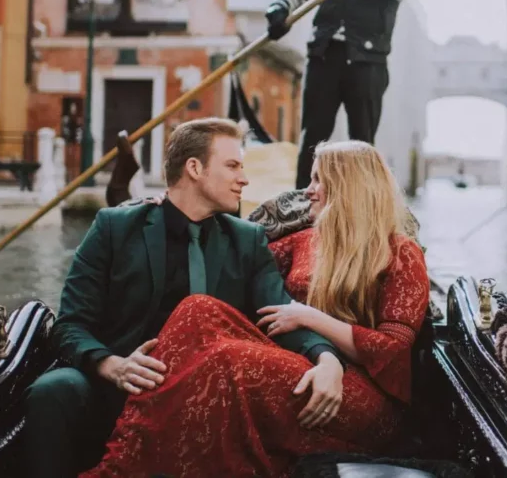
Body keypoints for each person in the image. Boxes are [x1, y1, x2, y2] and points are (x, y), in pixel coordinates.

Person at [81, 140, 431, 477]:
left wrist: (310, 317)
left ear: (348, 187)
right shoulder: (305, 241)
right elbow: (232, 250)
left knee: (228, 358)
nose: (308, 190)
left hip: (362, 395)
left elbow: (391, 351)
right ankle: (127, 455)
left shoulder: (400, 253)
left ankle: (119, 471)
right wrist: (173, 209)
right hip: (304, 363)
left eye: (318, 180)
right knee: (197, 308)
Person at [24, 118, 344, 478]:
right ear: (194, 168)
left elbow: (281, 313)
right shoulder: (114, 228)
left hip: (204, 400)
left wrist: (327, 358)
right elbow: (70, 325)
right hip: (123, 386)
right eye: (233, 166)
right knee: (53, 390)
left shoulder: (248, 240)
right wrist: (112, 365)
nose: (244, 178)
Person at [264, 0, 419, 189]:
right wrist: (279, 9)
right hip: (325, 57)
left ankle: (362, 204)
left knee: (363, 140)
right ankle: (302, 204)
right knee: (313, 135)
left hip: (368, 63)